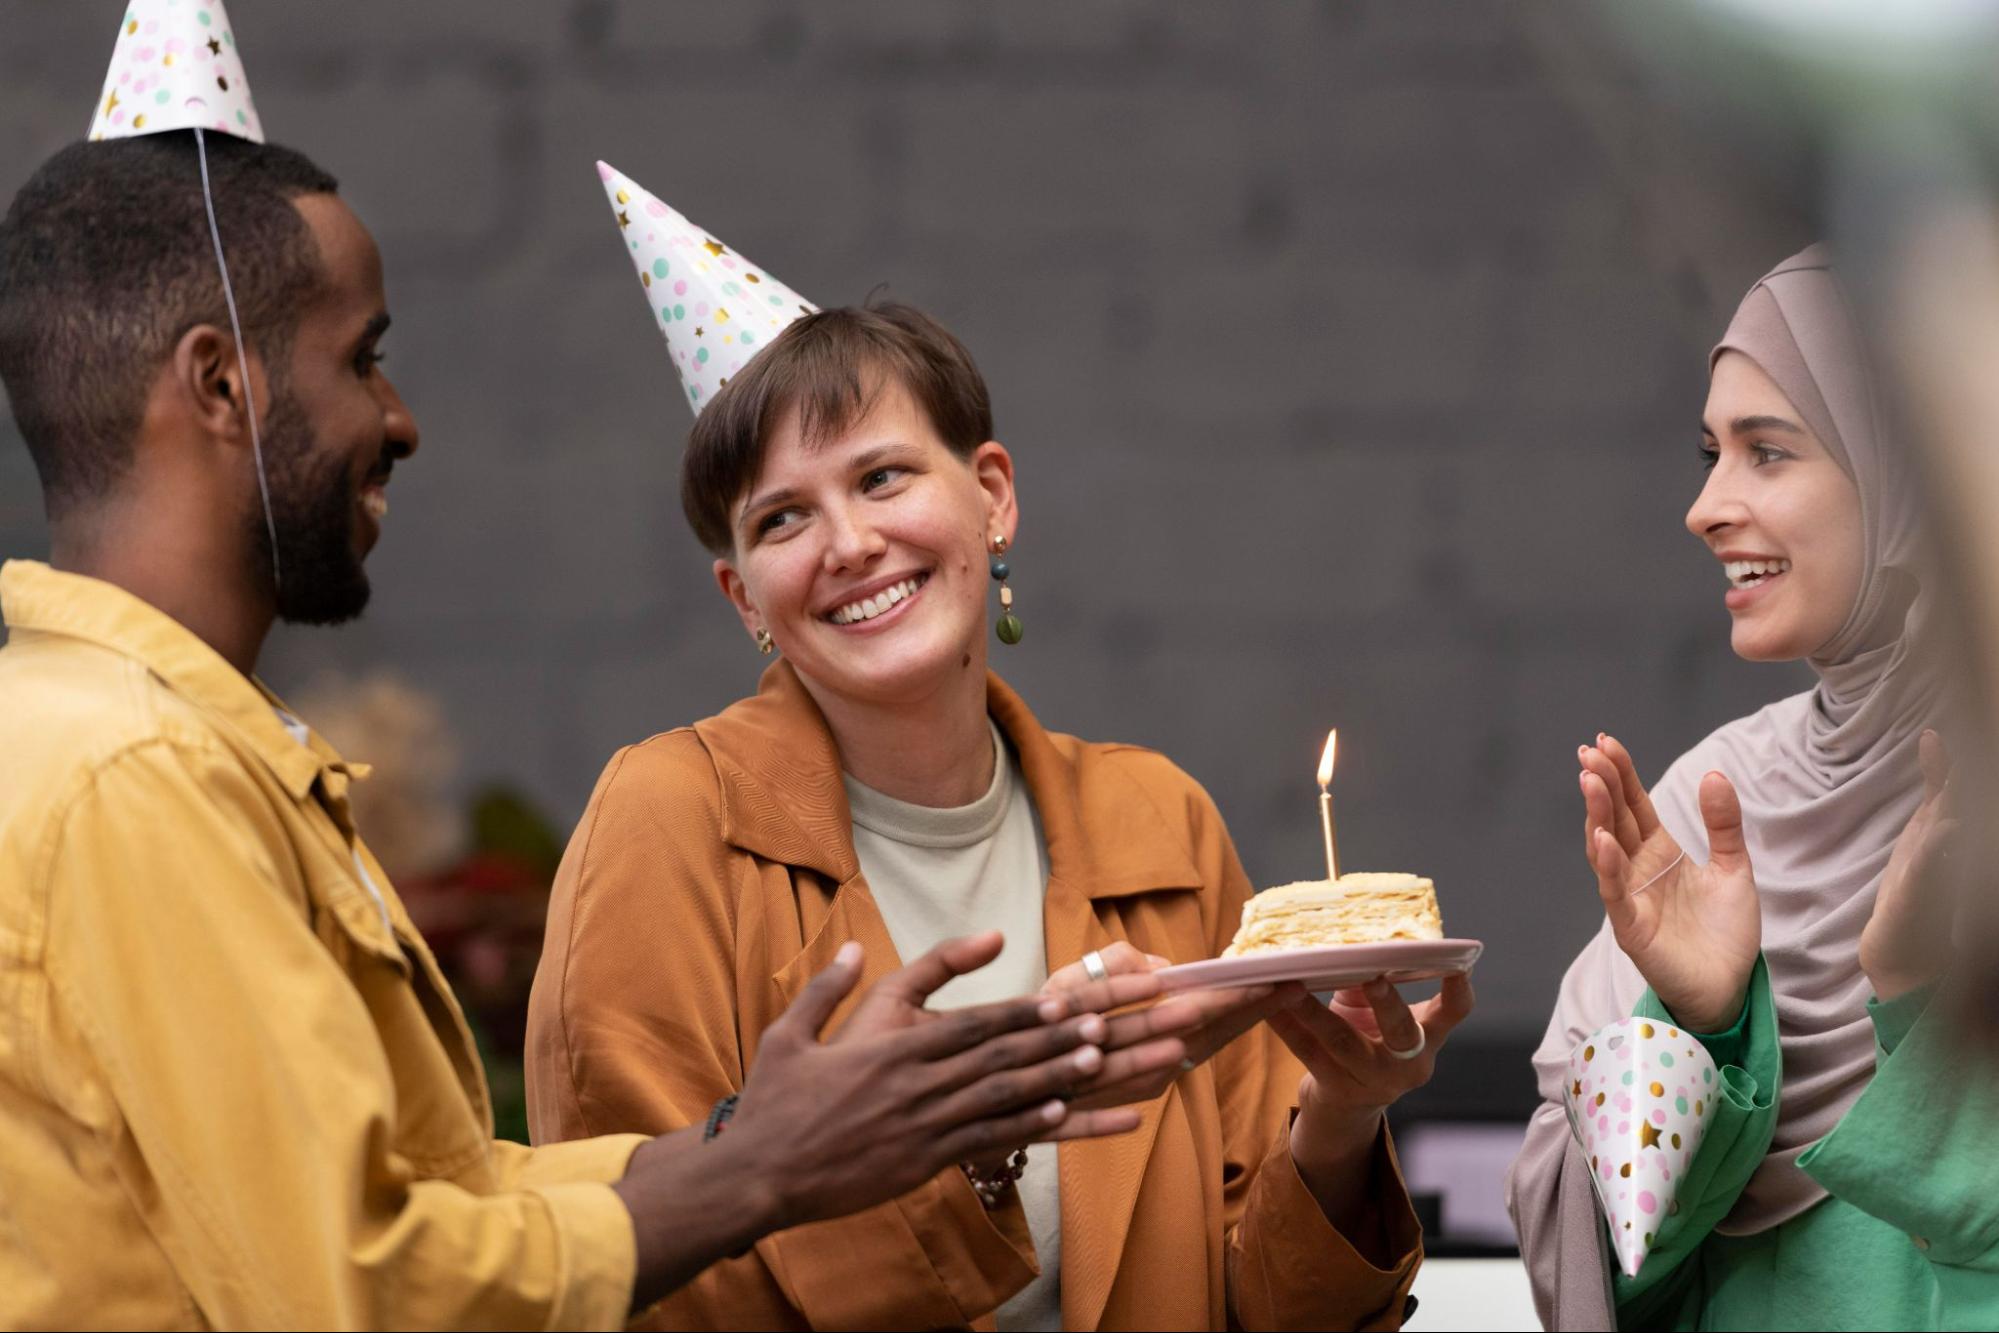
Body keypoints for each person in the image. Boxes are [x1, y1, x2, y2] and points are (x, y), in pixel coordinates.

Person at [0, 131, 1165, 1330]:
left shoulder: (131, 741)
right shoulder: (132, 773)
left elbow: (437, 1199)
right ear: (219, 386)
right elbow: (366, 1290)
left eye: (882, 478)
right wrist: (763, 1165)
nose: (399, 420)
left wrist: (764, 1141)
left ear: (992, 495)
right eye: (363, 359)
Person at [525, 280, 1475, 1330]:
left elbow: (1272, 1308)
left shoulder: (1159, 819)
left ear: (991, 496)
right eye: (782, 517)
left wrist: (1341, 1112)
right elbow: (636, 1279)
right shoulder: (666, 821)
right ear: (744, 594)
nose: (848, 543)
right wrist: (990, 1128)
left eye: (880, 477)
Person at [1506, 246, 1951, 1329]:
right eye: (1711, 453)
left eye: (1768, 451)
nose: (1705, 507)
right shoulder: (1713, 804)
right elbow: (1603, 1255)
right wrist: (1699, 1030)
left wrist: (1910, 998)